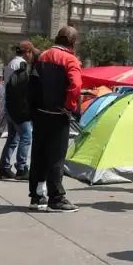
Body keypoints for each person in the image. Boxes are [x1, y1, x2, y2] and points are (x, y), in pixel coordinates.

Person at [28, 26, 82, 213]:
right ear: (72, 42)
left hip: (41, 112)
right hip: (58, 114)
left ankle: (36, 196)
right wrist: (69, 106)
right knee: (56, 157)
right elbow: (75, 86)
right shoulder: (70, 59)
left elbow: (33, 83)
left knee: (38, 155)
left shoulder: (42, 56)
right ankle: (56, 198)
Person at [0, 40, 36, 181]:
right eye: (31, 52)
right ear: (27, 52)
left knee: (13, 138)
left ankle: (4, 167)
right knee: (26, 136)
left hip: (10, 105)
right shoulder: (21, 65)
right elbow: (21, 88)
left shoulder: (11, 63)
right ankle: (21, 168)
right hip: (19, 107)